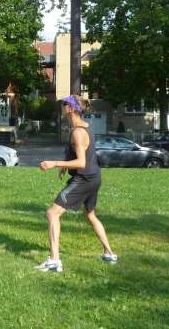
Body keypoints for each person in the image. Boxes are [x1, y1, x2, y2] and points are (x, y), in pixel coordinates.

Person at [37, 95, 117, 273]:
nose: (62, 107)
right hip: (94, 177)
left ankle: (54, 260)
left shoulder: (78, 132)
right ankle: (109, 253)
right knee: (90, 215)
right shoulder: (84, 127)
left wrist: (55, 163)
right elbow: (84, 155)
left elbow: (81, 162)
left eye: (65, 104)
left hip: (84, 179)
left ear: (72, 109)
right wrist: (66, 163)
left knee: (52, 213)